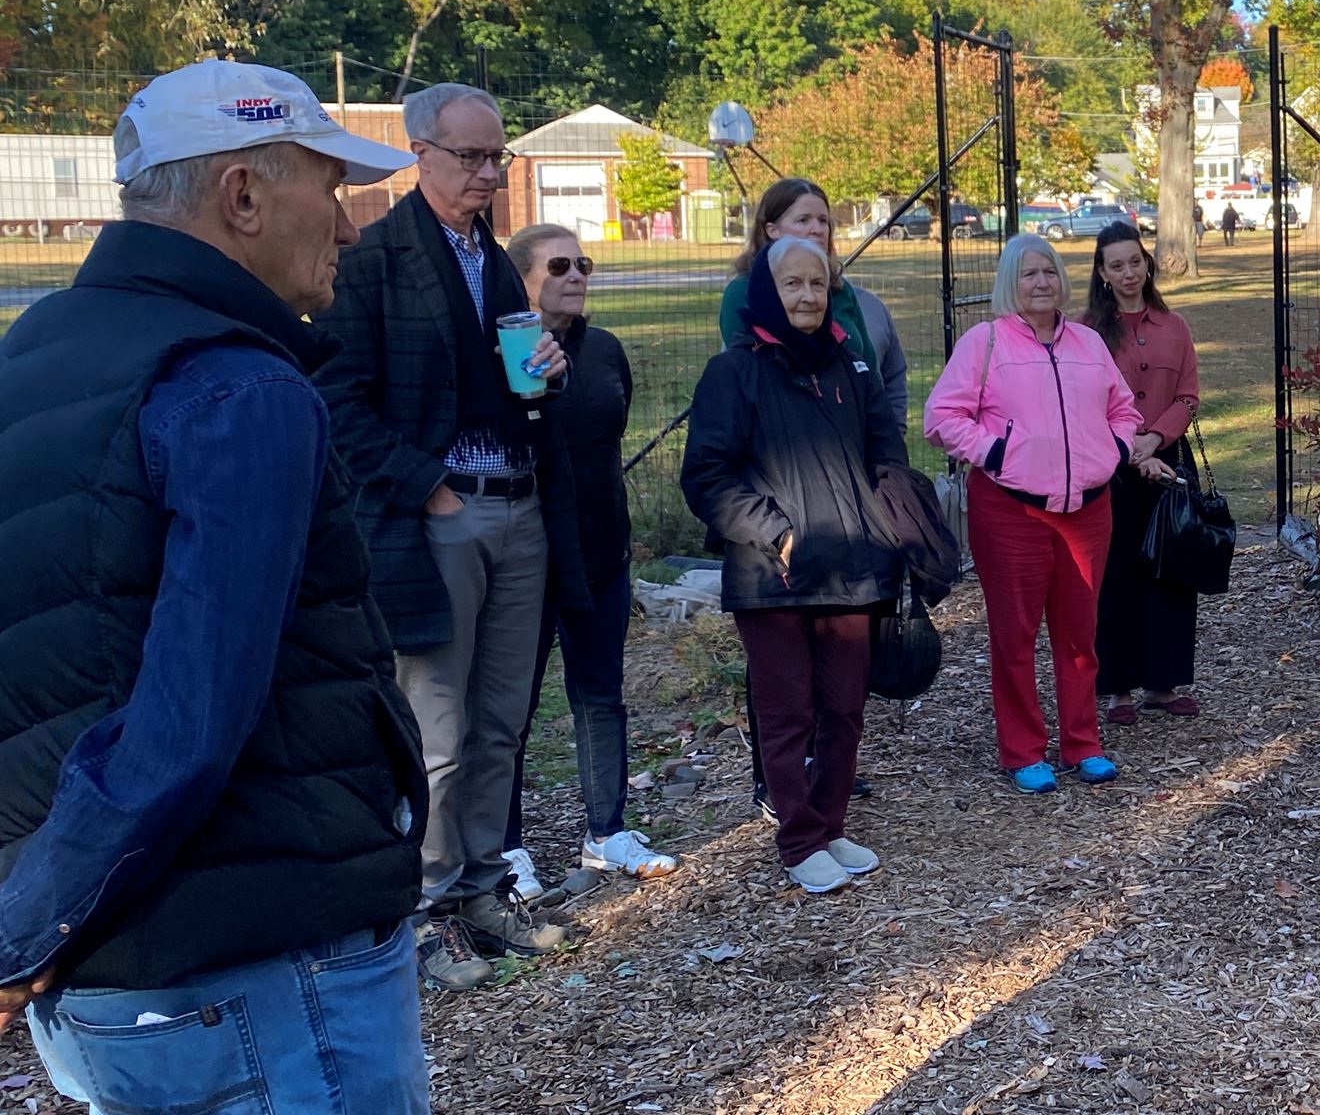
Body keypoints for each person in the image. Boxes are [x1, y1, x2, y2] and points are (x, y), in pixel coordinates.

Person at [0, 61, 446, 1115]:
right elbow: (187, 717)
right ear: (243, 192)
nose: (353, 222)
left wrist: (39, 914)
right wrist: (28, 924)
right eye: (330, 186)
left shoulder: (33, 358)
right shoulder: (240, 389)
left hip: (120, 987)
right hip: (258, 963)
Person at [315, 81, 586, 992]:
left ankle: (479, 886)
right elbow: (337, 405)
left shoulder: (498, 263)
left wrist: (543, 369)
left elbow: (519, 385)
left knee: (503, 717)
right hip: (440, 513)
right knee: (437, 726)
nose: (487, 172)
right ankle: (424, 909)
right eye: (470, 156)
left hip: (519, 505)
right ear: (418, 153)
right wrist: (427, 490)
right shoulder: (376, 258)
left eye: (496, 156)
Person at [682, 237, 906, 893]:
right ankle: (799, 838)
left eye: (817, 284)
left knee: (844, 707)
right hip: (773, 575)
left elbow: (884, 452)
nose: (807, 297)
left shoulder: (849, 368)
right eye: (792, 285)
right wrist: (772, 533)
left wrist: (889, 523)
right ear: (765, 292)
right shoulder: (736, 373)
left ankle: (830, 825)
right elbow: (707, 475)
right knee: (787, 714)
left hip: (851, 568)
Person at [924, 234, 1145, 793]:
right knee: (1015, 635)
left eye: (1049, 272)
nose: (1042, 282)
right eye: (1028, 274)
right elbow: (942, 417)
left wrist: (1116, 449)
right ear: (1009, 284)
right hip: (1012, 513)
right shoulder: (986, 343)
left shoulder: (1089, 343)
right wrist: (997, 453)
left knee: (1079, 636)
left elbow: (1123, 408)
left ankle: (1082, 742)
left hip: (1088, 512)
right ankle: (1023, 750)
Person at [502, 225, 678, 884]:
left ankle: (607, 830)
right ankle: (504, 848)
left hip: (603, 549)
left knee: (601, 691)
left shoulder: (604, 350)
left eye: (584, 263)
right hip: (529, 553)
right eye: (559, 265)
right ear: (521, 279)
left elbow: (609, 433)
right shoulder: (505, 350)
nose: (577, 275)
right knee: (512, 705)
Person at [1083, 221, 1202, 725]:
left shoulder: (1174, 326)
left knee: (1171, 569)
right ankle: (1118, 690)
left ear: (1146, 263)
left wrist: (1154, 440)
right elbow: (1083, 400)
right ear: (1103, 274)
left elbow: (1188, 396)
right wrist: (1131, 449)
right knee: (1116, 575)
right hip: (1109, 465)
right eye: (1117, 266)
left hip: (1167, 460)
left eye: (1135, 261)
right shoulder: (1086, 331)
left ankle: (1163, 681)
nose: (1129, 272)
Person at [719, 177, 907, 428]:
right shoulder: (742, 293)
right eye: (803, 220)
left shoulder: (842, 291)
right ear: (771, 229)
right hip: (781, 438)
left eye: (823, 221)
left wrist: (886, 441)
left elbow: (871, 374)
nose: (817, 229)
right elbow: (747, 373)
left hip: (853, 436)